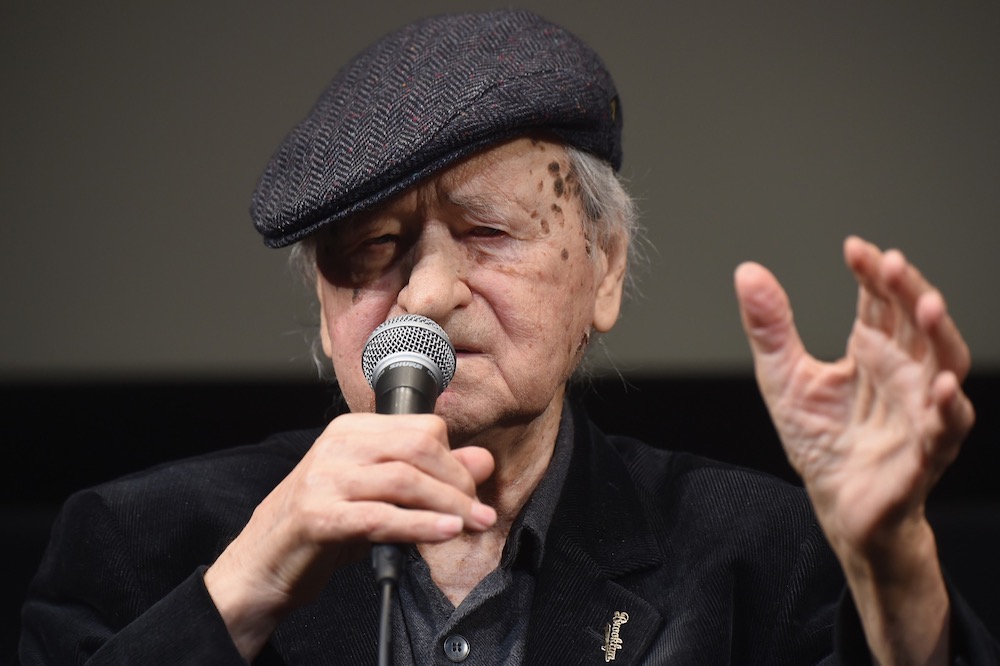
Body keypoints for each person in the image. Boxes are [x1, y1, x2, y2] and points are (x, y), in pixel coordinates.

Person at [19, 9, 999, 665]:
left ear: (603, 270)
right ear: (323, 306)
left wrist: (892, 562)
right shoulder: (140, 545)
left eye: (487, 235)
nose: (428, 294)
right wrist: (247, 584)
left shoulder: (763, 558)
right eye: (372, 251)